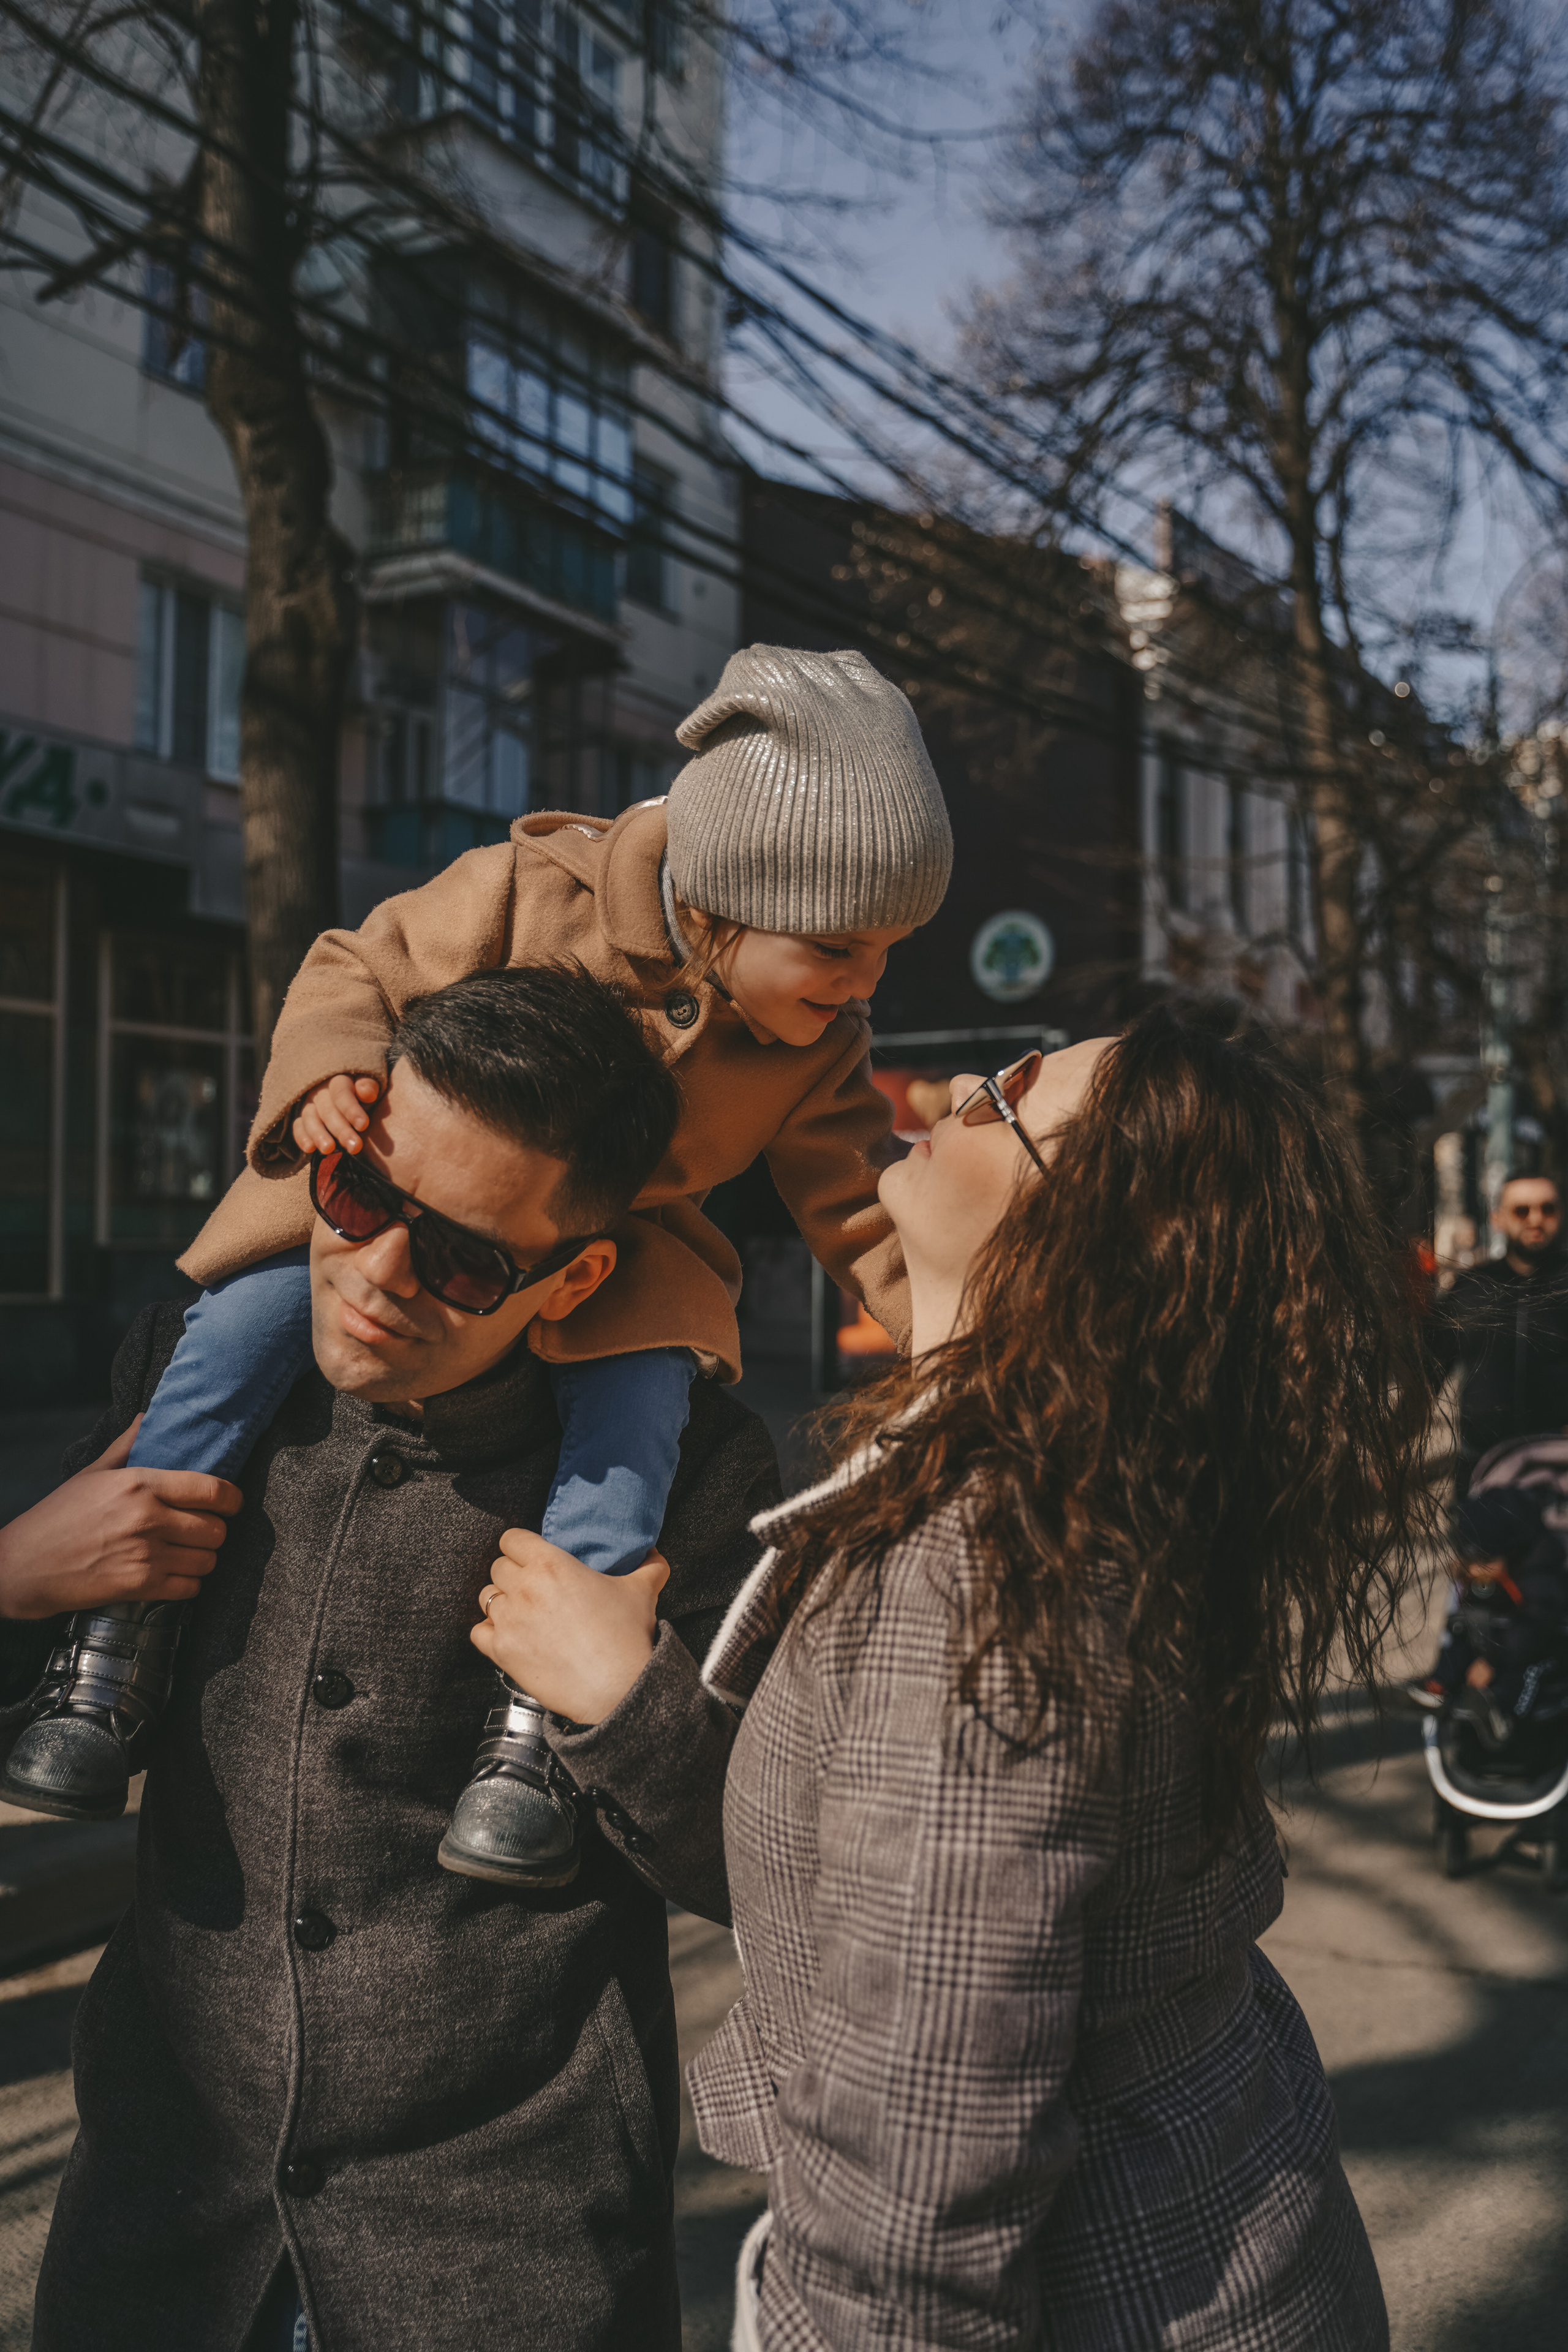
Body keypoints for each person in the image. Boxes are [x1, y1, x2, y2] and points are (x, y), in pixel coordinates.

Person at [483, 1007, 1433, 2350]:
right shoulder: (1087, 1507)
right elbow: (886, 1907)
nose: (968, 1091)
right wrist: (637, 1705)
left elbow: (911, 2197)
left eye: (1018, 1099)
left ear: (1092, 1241)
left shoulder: (980, 1569)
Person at [3, 646, 952, 1887]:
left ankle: (534, 1733)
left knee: (634, 1427)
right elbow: (359, 962)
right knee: (229, 1333)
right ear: (722, 911)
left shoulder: (816, 1043)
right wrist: (330, 1078)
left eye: (887, 950)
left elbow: (863, 1211)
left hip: (631, 1253)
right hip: (382, 1172)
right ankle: (115, 1638)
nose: (865, 980)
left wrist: (966, 1342)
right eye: (838, 948)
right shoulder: (529, 889)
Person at [0, 965, 780, 2351]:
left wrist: (625, 1705)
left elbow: (780, 1869)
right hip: (162, 2239)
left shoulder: (692, 1478)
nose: (372, 1275)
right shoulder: (193, 1387)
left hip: (504, 2273)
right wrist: (14, 1576)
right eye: (356, 1196)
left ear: (577, 1274)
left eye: (465, 1257)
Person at [1428, 1175, 1568, 1493]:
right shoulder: (1472, 1287)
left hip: (1559, 1472)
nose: (1536, 1219)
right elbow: (1429, 1368)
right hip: (1481, 1472)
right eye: (1522, 1210)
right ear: (1498, 1218)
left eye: (1548, 1209)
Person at [1402, 1487, 1568, 1747]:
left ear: (1512, 1552)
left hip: (1535, 1648)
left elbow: (1537, 1626)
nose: (1474, 1568)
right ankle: (1435, 1687)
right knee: (1457, 1650)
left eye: (1482, 1560)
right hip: (1489, 1638)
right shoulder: (1482, 1570)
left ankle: (1502, 1713)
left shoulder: (1540, 1575)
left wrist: (1493, 1660)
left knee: (1528, 1675)